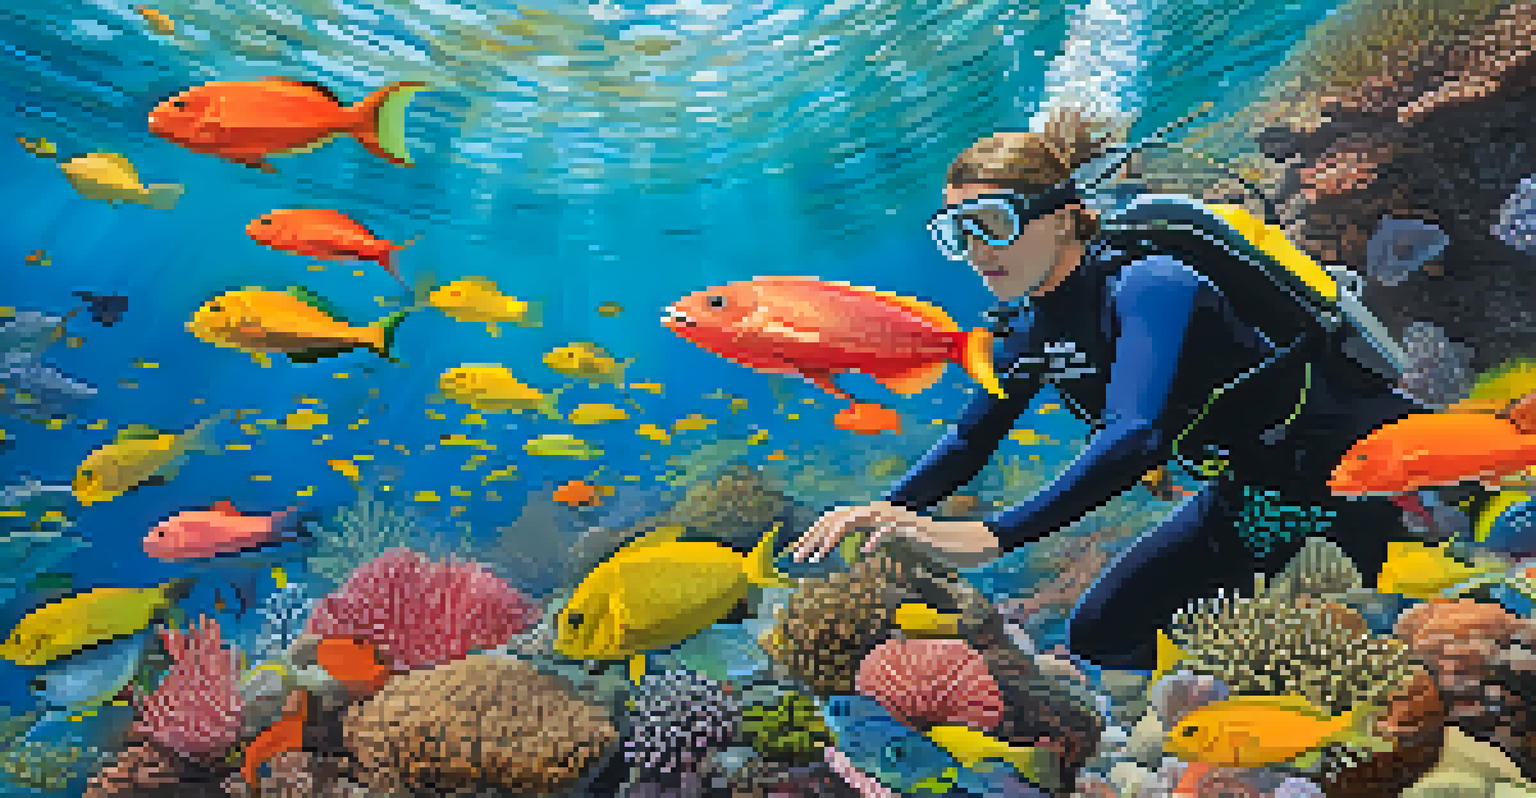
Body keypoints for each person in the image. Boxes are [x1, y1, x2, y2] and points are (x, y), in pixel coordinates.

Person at [788, 107, 1427, 672]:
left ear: (1063, 217)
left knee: (1430, 597)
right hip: (1254, 491)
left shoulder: (1153, 283)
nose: (977, 250)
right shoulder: (1028, 328)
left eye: (992, 223)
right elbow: (969, 439)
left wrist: (994, 536)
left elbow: (1135, 435)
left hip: (1367, 460)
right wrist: (882, 510)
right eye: (958, 233)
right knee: (1101, 635)